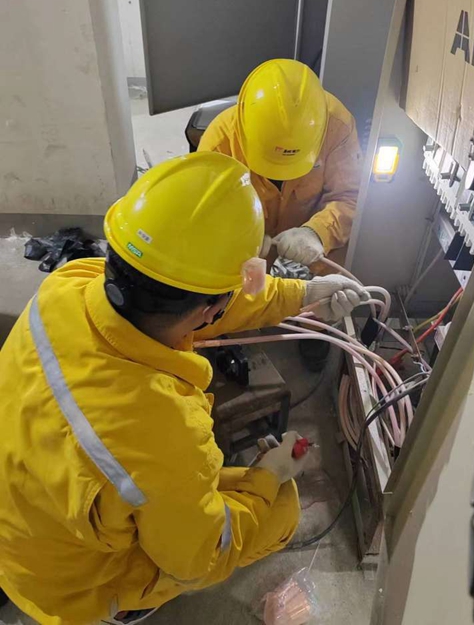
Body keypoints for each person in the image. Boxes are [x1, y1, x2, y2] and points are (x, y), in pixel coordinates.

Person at [0, 152, 367, 625]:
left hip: (24, 515)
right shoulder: (161, 427)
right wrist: (269, 477)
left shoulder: (67, 285)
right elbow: (201, 558)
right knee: (275, 511)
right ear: (208, 310)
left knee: (191, 490)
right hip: (68, 588)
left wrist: (301, 296)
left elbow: (196, 297)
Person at [198, 58, 362, 272]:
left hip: (313, 252)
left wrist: (318, 233)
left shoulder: (337, 128)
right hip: (243, 257)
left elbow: (349, 197)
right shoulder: (219, 143)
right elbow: (206, 214)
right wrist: (240, 235)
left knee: (333, 285)